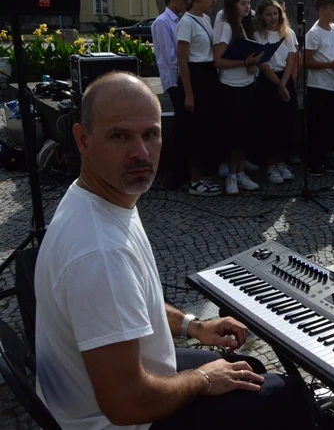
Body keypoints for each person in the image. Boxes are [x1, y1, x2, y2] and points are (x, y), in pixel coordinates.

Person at [34, 72, 319, 430]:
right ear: (82, 139)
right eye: (119, 136)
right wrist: (202, 379)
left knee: (252, 370)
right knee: (288, 396)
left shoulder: (98, 199)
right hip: (118, 421)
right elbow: (127, 405)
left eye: (151, 134)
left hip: (113, 391)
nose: (140, 152)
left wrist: (194, 326)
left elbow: (137, 306)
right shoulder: (99, 253)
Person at [175, 0, 222, 196]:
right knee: (194, 128)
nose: (214, 0)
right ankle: (194, 180)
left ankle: (203, 174)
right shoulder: (186, 22)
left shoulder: (206, 18)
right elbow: (183, 60)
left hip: (208, 75)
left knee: (206, 127)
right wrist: (189, 93)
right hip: (195, 75)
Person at [213, 0, 262, 195]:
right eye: (243, 3)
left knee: (244, 133)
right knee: (234, 134)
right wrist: (244, 62)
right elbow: (218, 60)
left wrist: (253, 63)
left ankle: (240, 173)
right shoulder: (225, 27)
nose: (247, 7)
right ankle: (231, 177)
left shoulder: (244, 26)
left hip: (247, 84)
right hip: (231, 87)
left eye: (249, 3)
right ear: (233, 5)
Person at [151, 0, 191, 189]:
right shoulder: (162, 22)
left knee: (186, 125)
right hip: (175, 81)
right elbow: (169, 57)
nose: (187, 3)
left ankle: (183, 169)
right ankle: (175, 173)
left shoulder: (181, 21)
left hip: (183, 79)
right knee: (181, 125)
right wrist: (183, 80)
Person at [253, 0, 297, 184]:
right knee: (269, 124)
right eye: (269, 14)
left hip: (285, 80)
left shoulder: (288, 34)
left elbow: (291, 58)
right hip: (268, 81)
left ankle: (282, 162)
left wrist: (284, 83)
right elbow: (262, 63)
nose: (273, 17)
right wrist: (278, 84)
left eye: (276, 13)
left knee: (285, 123)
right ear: (262, 16)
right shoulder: (258, 36)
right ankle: (270, 164)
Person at [305, 0, 334, 176]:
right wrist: (329, 65)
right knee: (317, 125)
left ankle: (325, 159)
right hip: (318, 86)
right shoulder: (313, 33)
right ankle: (313, 162)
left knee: (330, 126)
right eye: (333, 10)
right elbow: (307, 62)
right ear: (321, 11)